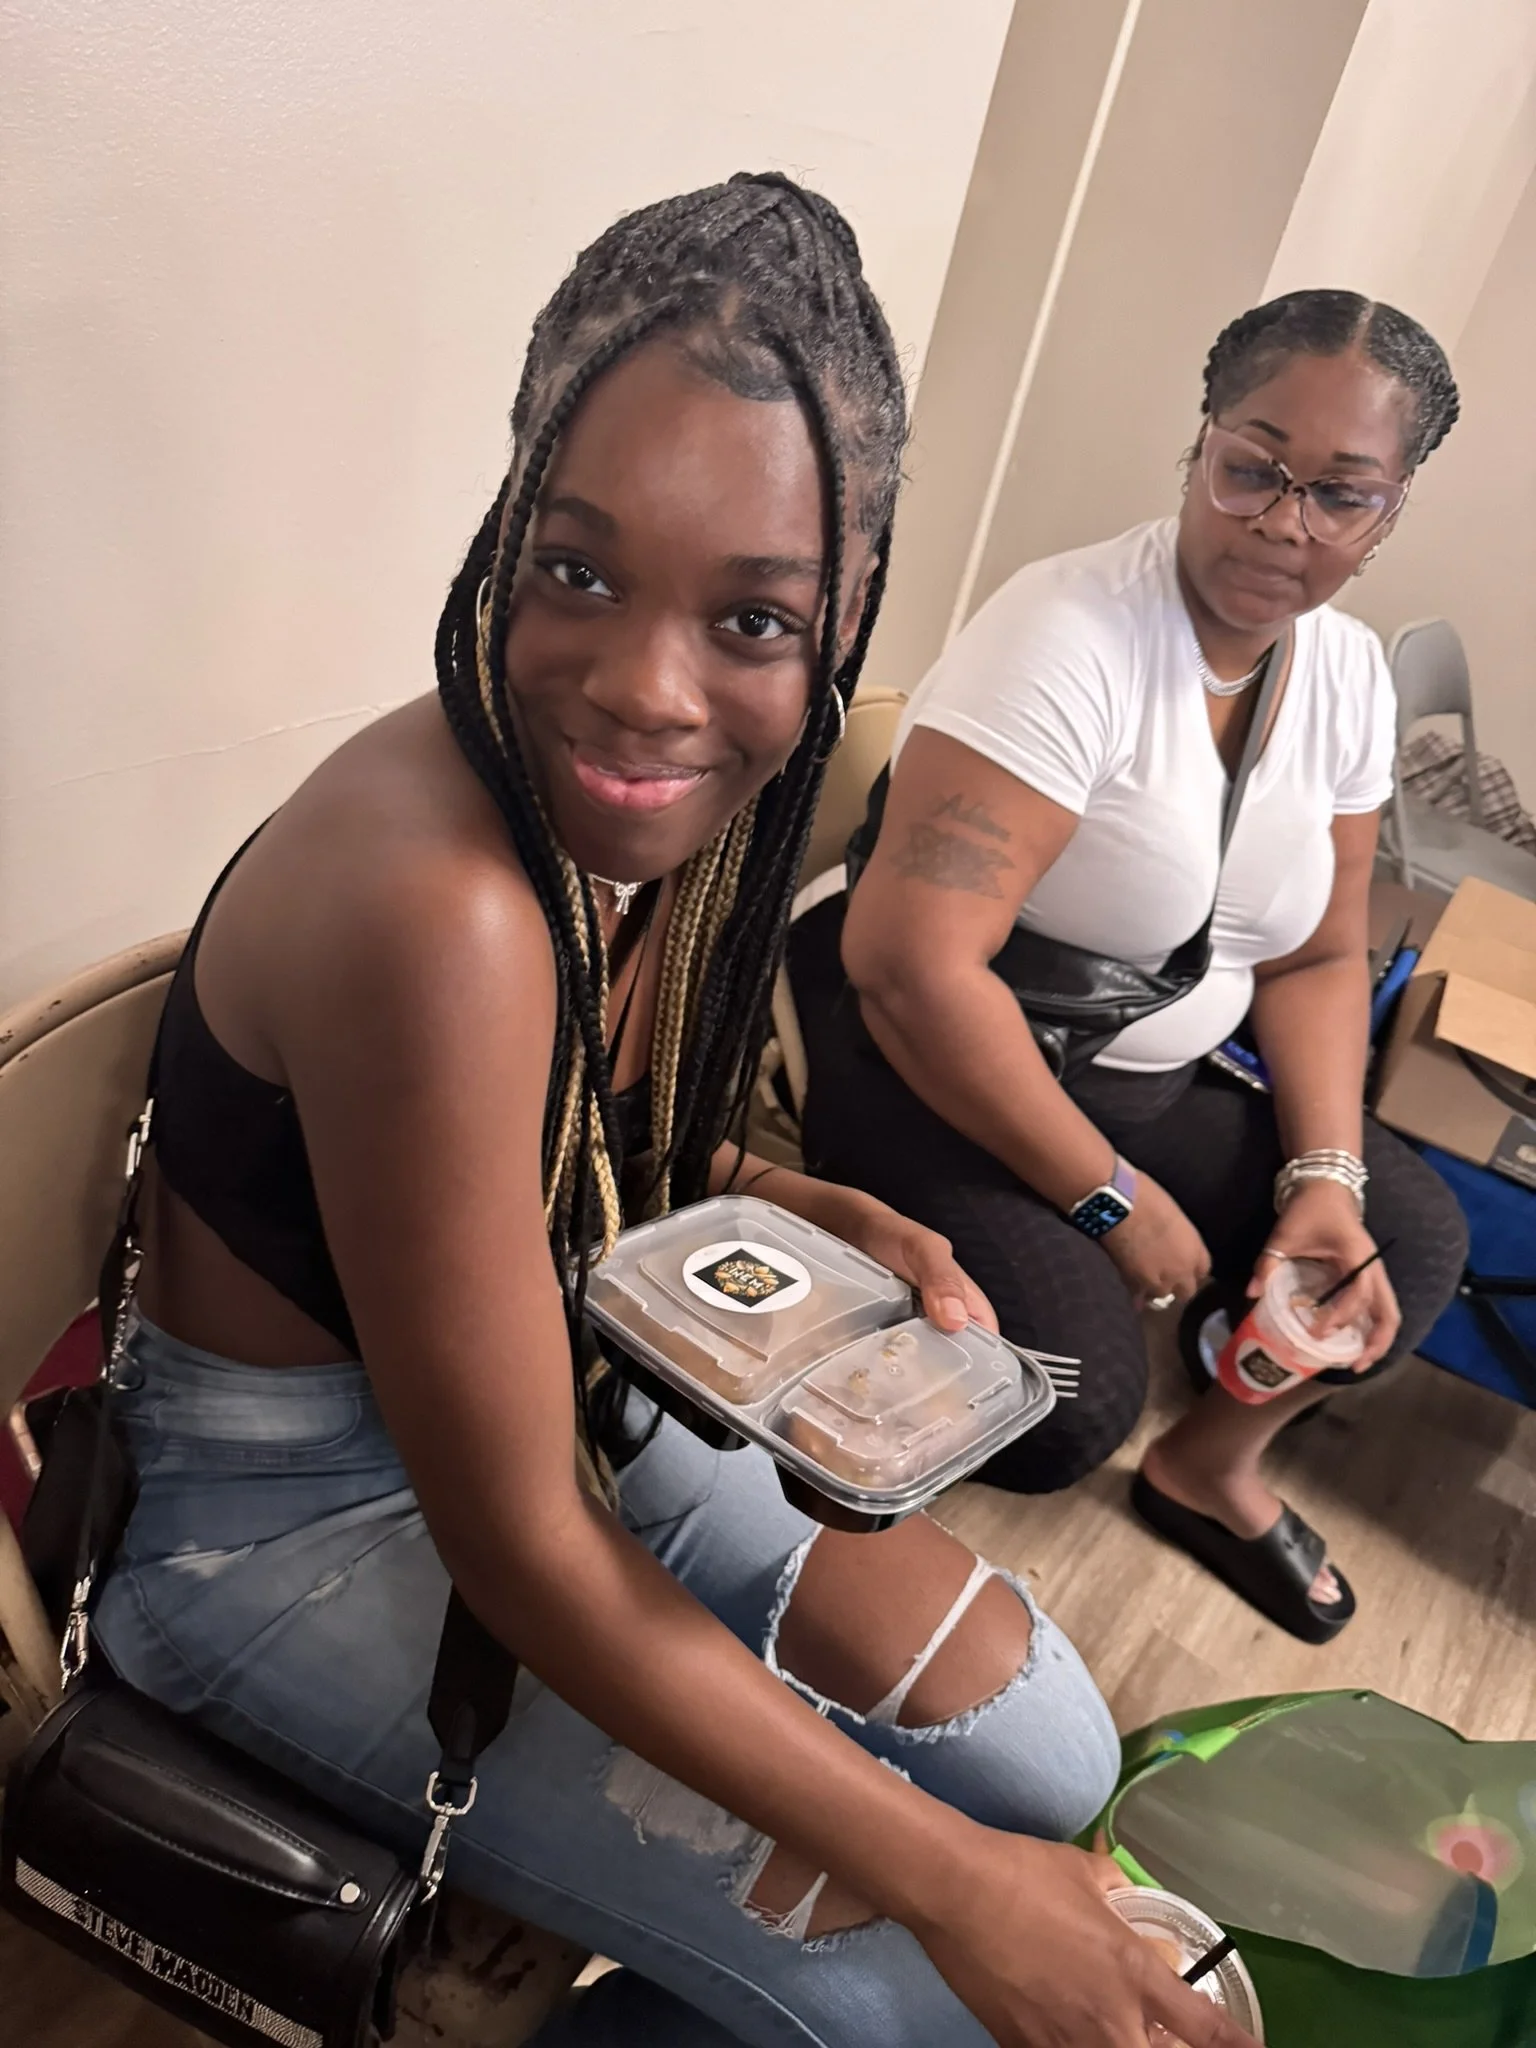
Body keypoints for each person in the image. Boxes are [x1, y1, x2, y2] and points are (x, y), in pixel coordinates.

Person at [89, 176, 1253, 2048]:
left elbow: (527, 1148)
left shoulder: (619, 846)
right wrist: (960, 1900)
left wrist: (781, 1192)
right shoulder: (443, 907)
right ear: (507, 521)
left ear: (850, 604)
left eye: (754, 618)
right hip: (287, 1517)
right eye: (580, 570)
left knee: (1043, 1750)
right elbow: (522, 1549)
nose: (645, 685)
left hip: (528, 1388)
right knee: (909, 2007)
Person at [792, 290, 1470, 1647]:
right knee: (1062, 1407)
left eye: (1340, 494)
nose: (1284, 523)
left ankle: (1208, 1467)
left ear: (1390, 510)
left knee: (1404, 1242)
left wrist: (1320, 1181)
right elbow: (915, 969)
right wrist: (1109, 1203)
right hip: (935, 1053)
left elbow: (1326, 951)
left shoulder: (1343, 678)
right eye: (1252, 469)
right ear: (1200, 444)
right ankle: (805, 1447)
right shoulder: (1069, 636)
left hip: (1136, 1064)